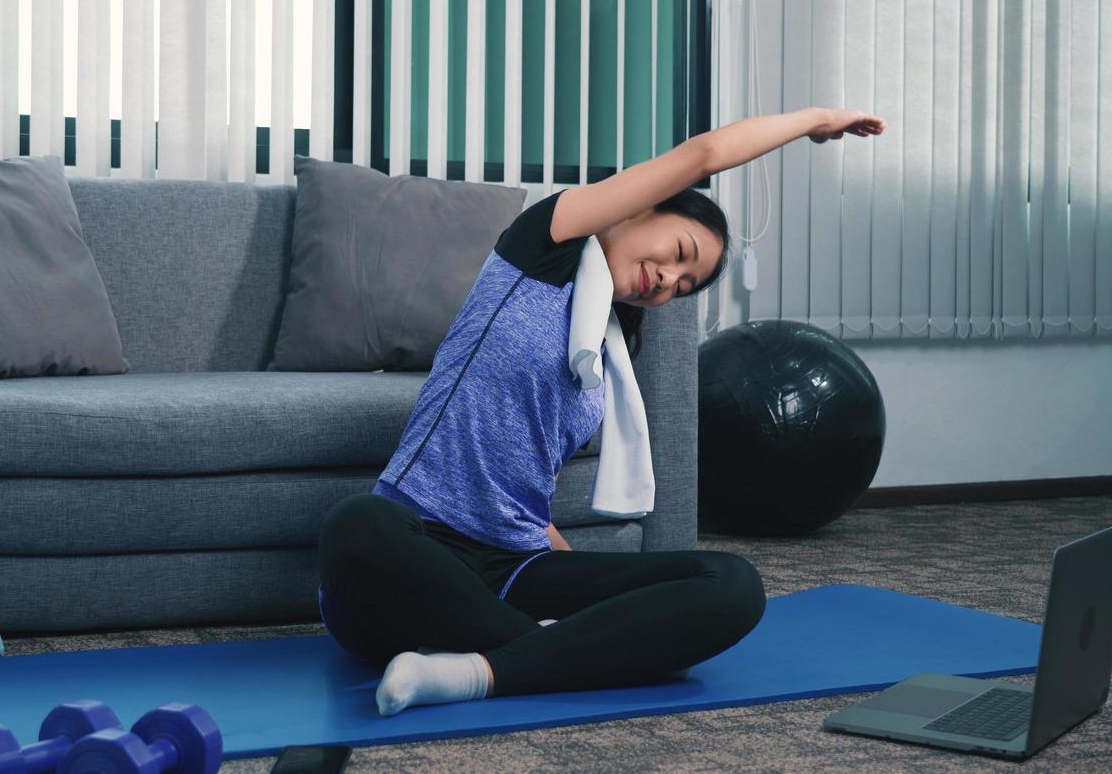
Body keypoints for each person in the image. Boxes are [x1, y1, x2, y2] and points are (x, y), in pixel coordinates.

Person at [317, 106, 887, 716]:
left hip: (512, 566)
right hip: (412, 552)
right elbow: (702, 156)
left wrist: (576, 577)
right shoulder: (542, 250)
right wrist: (814, 121)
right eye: (679, 252)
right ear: (643, 206)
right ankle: (555, 654)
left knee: (732, 585)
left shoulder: (601, 355)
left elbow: (522, 492)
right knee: (360, 524)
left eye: (684, 286)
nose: (668, 280)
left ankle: (478, 671)